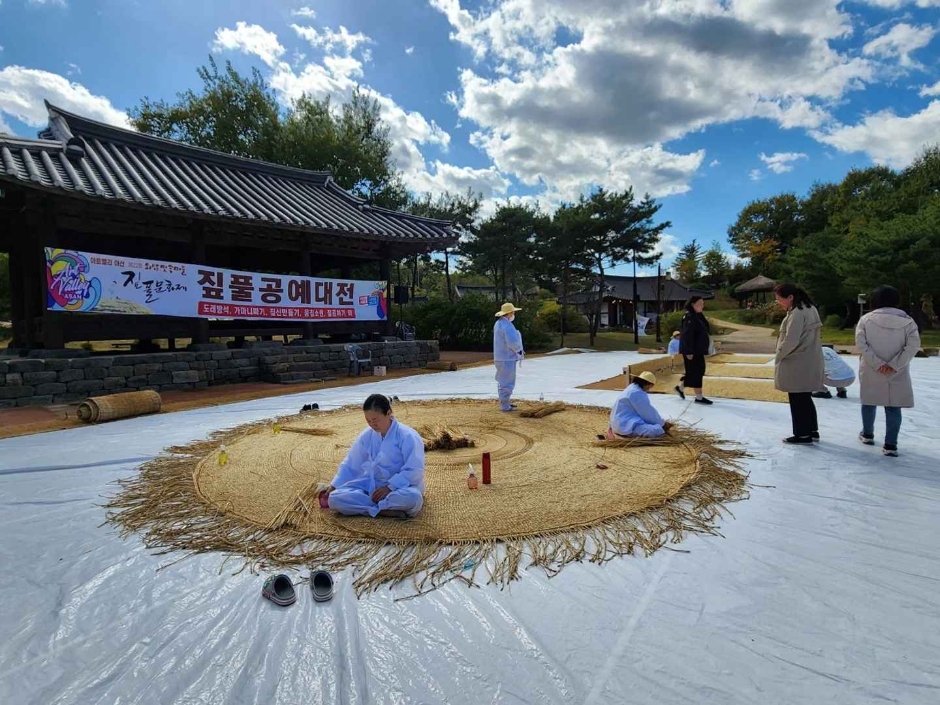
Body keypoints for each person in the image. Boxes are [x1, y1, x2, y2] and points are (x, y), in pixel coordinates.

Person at [321, 394, 425, 518]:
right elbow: (351, 463)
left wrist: (389, 487)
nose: (372, 425)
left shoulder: (408, 436)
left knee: (413, 498)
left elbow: (414, 470)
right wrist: (334, 486)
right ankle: (382, 510)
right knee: (335, 498)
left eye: (375, 420)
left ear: (388, 413)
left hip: (400, 487)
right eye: (368, 421)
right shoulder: (367, 435)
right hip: (373, 484)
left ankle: (369, 507)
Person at [856, 285, 921, 457]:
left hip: (871, 368)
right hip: (896, 371)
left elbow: (861, 344)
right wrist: (894, 364)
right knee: (893, 405)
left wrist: (878, 363)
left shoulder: (866, 320)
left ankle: (867, 434)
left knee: (869, 401)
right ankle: (891, 444)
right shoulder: (908, 321)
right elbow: (913, 345)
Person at [773, 283, 824, 445]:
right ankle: (812, 430)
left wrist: (779, 355)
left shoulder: (797, 313)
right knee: (805, 396)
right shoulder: (810, 308)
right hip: (809, 359)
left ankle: (802, 434)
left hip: (797, 362)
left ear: (790, 297)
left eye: (779, 299)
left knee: (797, 398)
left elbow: (791, 340)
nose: (778, 302)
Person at [607, 371, 673, 438]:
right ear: (648, 384)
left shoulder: (631, 387)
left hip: (618, 424)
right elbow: (647, 413)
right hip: (625, 426)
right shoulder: (637, 393)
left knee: (654, 426)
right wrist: (662, 423)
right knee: (657, 430)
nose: (649, 389)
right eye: (651, 386)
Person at [677, 296, 713, 404]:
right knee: (696, 372)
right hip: (691, 351)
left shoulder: (697, 315)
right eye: (700, 304)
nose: (702, 306)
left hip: (698, 350)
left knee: (697, 371)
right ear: (693, 304)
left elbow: (705, 328)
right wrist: (688, 351)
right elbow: (686, 335)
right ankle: (699, 397)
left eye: (703, 303)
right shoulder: (689, 316)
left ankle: (681, 388)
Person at [493, 302, 524, 412]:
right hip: (507, 358)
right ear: (510, 313)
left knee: (503, 381)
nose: (514, 313)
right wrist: (519, 352)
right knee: (507, 382)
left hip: (501, 357)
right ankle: (505, 405)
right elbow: (513, 342)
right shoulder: (507, 325)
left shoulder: (499, 323)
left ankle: (505, 402)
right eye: (513, 312)